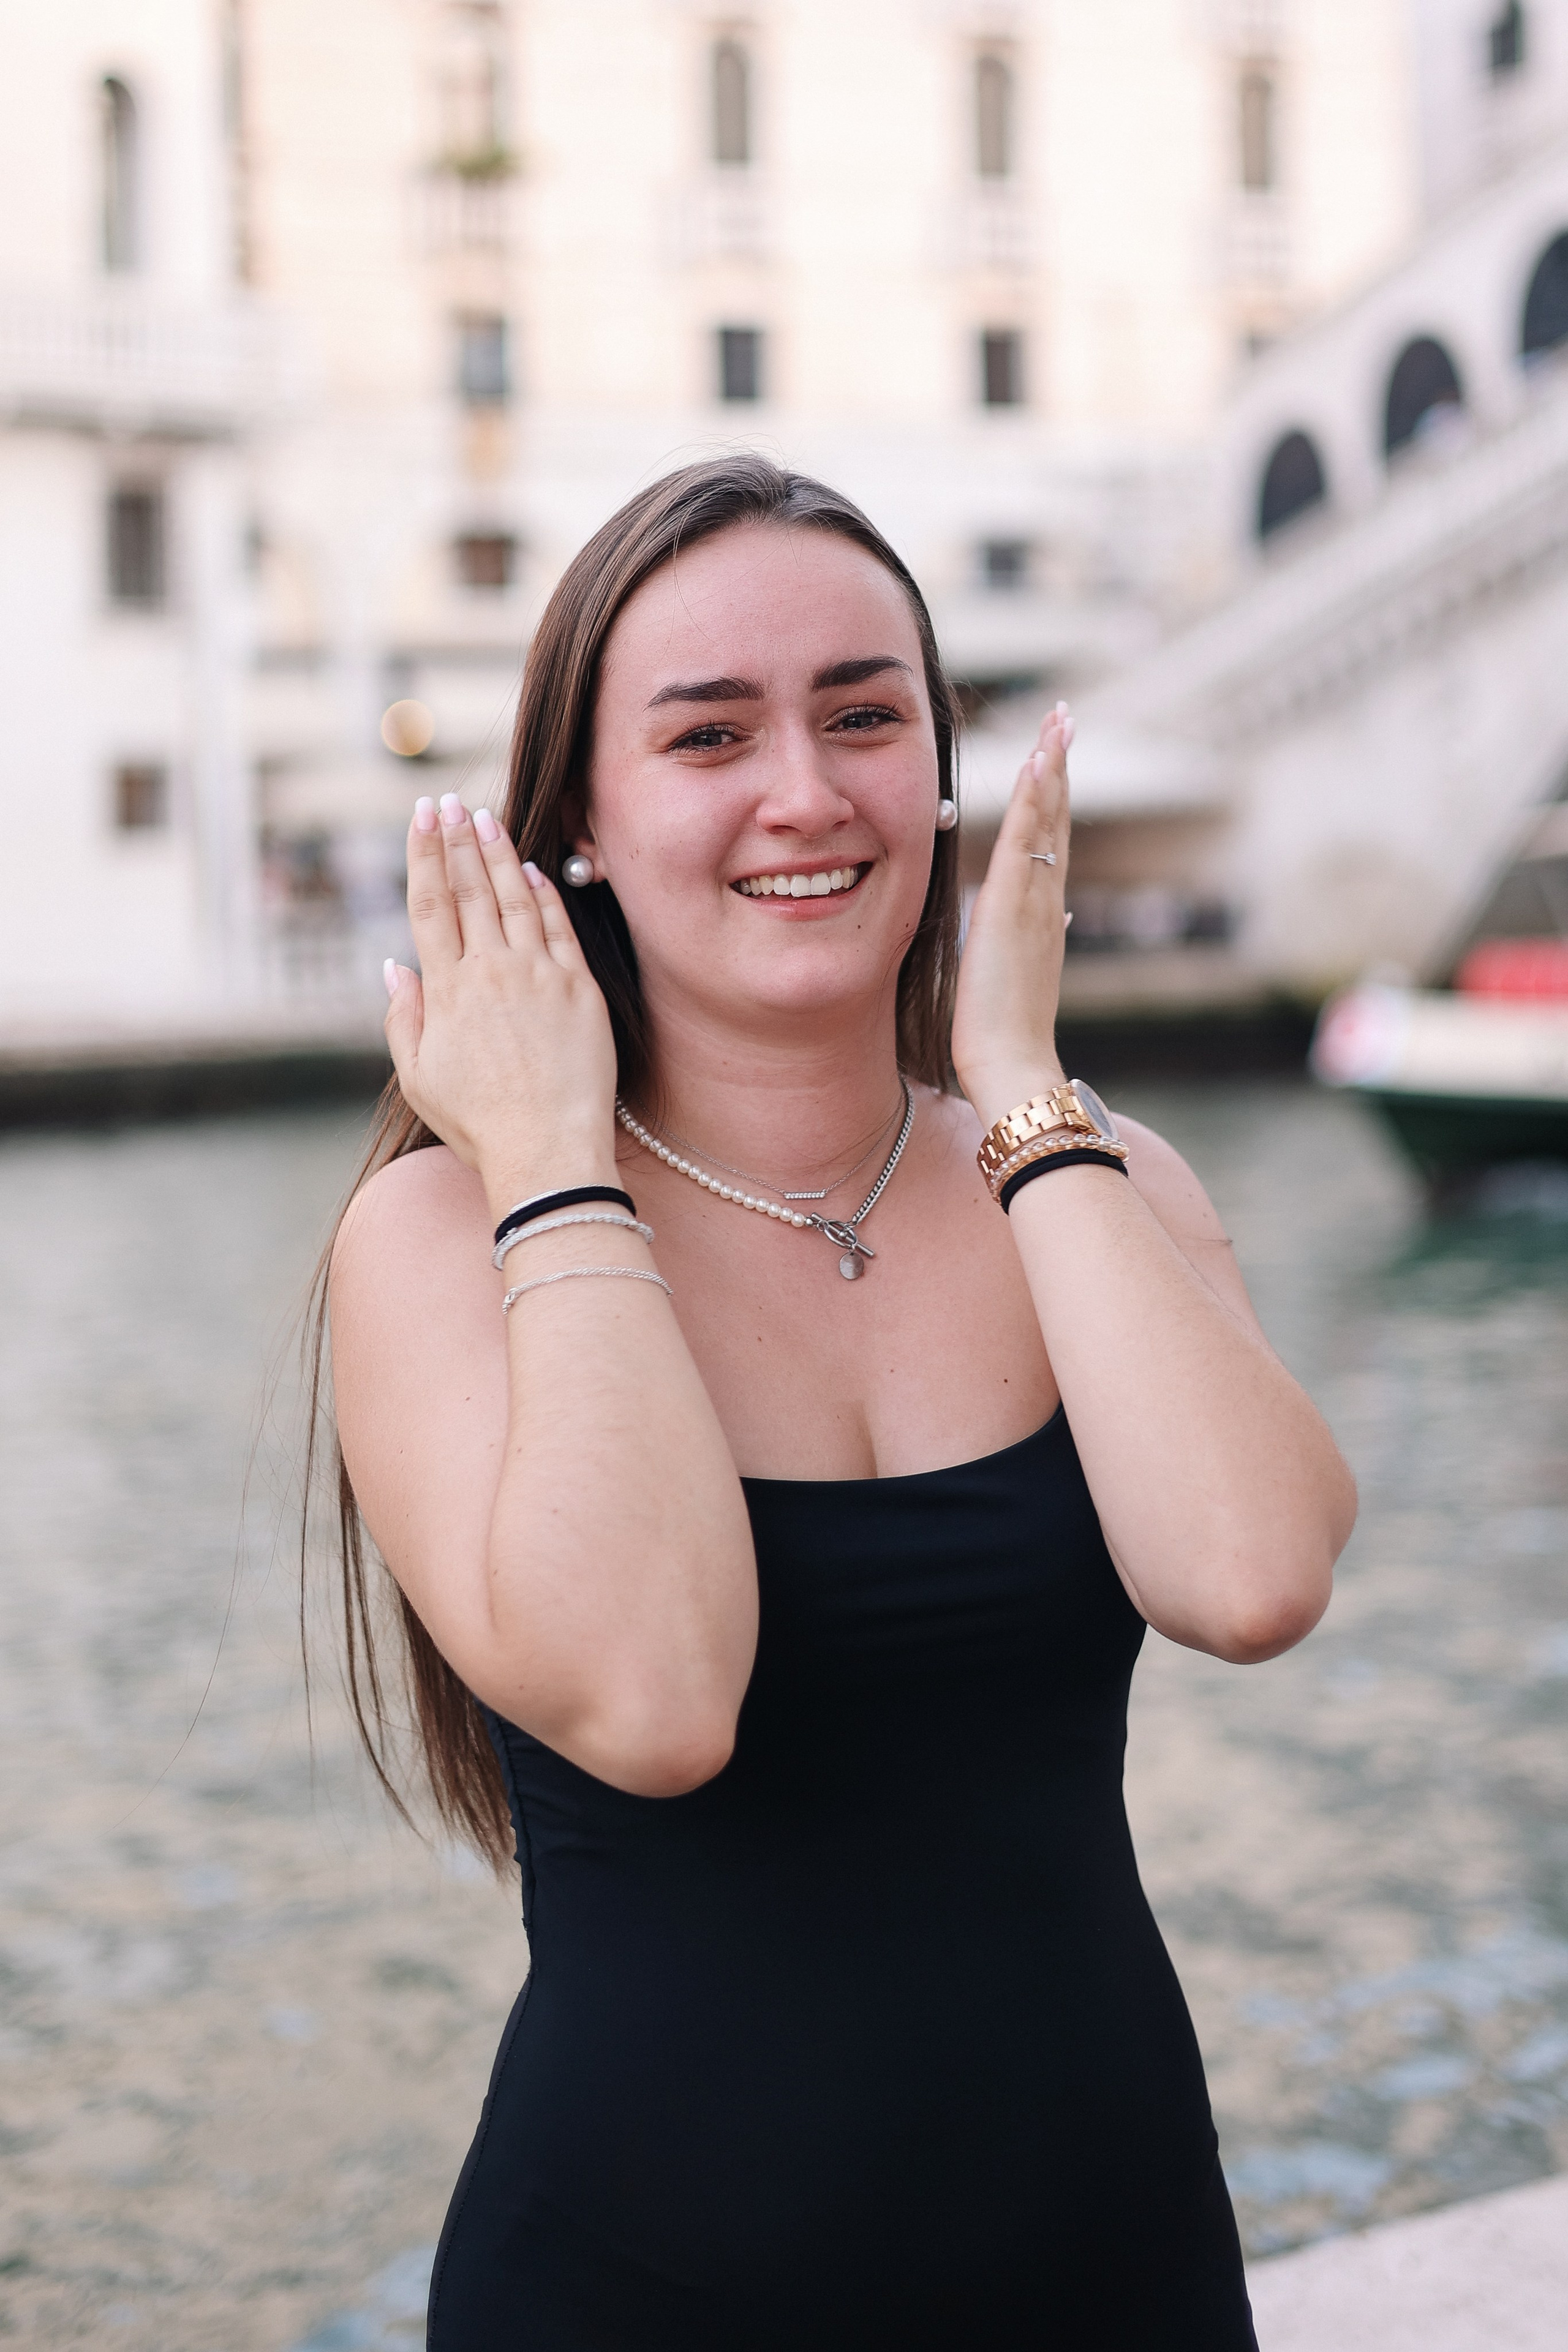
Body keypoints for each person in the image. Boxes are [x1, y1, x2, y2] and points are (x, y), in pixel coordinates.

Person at [323, 456, 1355, 2350]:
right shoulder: (438, 1234)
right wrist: (556, 1159)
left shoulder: (1084, 1173)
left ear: (940, 768)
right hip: (639, 2294)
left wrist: (1021, 1077)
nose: (807, 792)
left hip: (1118, 2272)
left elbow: (1252, 1575)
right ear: (580, 825)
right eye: (710, 735)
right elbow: (652, 1698)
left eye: (866, 716)